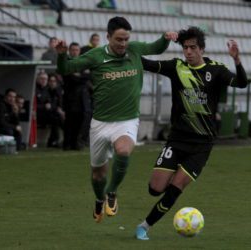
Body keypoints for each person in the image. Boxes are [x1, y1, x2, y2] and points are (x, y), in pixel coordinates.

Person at [55, 16, 178, 223]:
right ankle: (98, 198)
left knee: (123, 151)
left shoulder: (134, 50)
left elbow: (156, 47)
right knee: (97, 174)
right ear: (108, 37)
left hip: (127, 120)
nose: (123, 44)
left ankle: (112, 192)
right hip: (100, 123)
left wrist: (165, 38)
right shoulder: (95, 56)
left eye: (126, 39)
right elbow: (66, 69)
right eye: (119, 39)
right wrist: (61, 55)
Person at [135, 26, 248, 240]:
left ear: (202, 49)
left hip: (201, 146)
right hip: (176, 140)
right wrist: (126, 50)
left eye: (192, 47)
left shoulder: (216, 69)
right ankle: (168, 180)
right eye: (185, 48)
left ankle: (144, 226)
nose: (188, 52)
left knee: (176, 188)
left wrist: (237, 60)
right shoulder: (176, 66)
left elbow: (241, 83)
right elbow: (146, 64)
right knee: (155, 188)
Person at [62, 42, 90, 150]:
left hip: (81, 98)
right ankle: (67, 144)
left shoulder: (82, 63)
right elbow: (71, 78)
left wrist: (79, 76)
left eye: (76, 50)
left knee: (79, 121)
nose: (75, 52)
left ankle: (75, 143)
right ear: (69, 51)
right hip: (70, 97)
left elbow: (88, 76)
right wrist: (80, 76)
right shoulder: (66, 63)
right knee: (69, 121)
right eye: (73, 50)